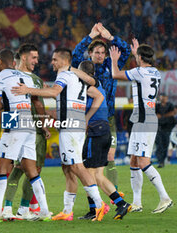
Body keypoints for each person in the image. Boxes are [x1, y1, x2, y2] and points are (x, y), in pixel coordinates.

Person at [12, 48, 107, 221]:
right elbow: (98, 95)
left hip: (70, 128)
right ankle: (67, 211)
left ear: (64, 61)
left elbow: (55, 92)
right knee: (67, 167)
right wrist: (85, 117)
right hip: (74, 125)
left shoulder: (63, 75)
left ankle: (100, 204)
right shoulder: (77, 77)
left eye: (55, 59)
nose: (52, 63)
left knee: (77, 166)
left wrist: (29, 90)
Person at [0, 48, 51, 222]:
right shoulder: (26, 78)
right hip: (29, 123)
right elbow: (36, 102)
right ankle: (45, 211)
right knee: (31, 169)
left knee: (0, 166)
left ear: (0, 62)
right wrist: (43, 124)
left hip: (13, 120)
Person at [109, 38, 173, 214]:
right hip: (144, 118)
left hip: (144, 120)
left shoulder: (139, 72)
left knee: (143, 161)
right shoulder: (156, 72)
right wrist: (137, 52)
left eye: (137, 57)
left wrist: (114, 60)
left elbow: (115, 74)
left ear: (140, 58)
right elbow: (141, 67)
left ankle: (165, 197)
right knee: (134, 160)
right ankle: (137, 202)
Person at [72, 23, 131, 192]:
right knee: (87, 162)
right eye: (96, 52)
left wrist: (110, 37)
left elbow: (125, 51)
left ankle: (116, 194)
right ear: (90, 53)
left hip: (108, 118)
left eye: (102, 52)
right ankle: (94, 199)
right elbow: (75, 54)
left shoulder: (109, 65)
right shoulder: (84, 68)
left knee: (110, 156)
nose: (100, 55)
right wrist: (90, 36)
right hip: (86, 119)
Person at [77, 60, 131, 221]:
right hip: (104, 129)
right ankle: (120, 204)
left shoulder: (89, 86)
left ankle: (97, 208)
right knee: (98, 175)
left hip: (96, 130)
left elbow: (99, 98)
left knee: (87, 173)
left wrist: (86, 118)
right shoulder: (97, 83)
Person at [2, 44, 51, 220]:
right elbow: (36, 104)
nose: (36, 62)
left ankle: (18, 209)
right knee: (24, 169)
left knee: (27, 169)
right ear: (24, 57)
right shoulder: (16, 78)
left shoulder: (32, 79)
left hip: (28, 128)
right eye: (34, 58)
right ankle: (13, 208)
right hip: (26, 128)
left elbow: (38, 105)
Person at [155, 93, 176, 168]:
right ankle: (160, 160)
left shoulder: (170, 105)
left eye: (164, 97)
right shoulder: (157, 106)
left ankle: (162, 160)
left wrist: (162, 116)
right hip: (158, 128)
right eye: (162, 97)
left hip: (167, 128)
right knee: (159, 144)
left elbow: (172, 113)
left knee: (165, 144)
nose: (163, 99)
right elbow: (155, 115)